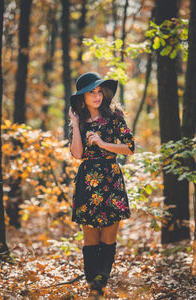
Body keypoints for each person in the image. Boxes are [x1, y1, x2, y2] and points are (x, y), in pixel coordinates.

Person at [68, 72, 135, 297]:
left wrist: (103, 143)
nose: (97, 96)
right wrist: (75, 125)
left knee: (108, 236)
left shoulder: (114, 115)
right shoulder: (79, 118)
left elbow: (129, 147)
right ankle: (92, 287)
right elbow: (77, 154)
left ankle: (101, 285)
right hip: (87, 180)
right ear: (82, 97)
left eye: (99, 91)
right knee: (90, 237)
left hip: (110, 178)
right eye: (91, 92)